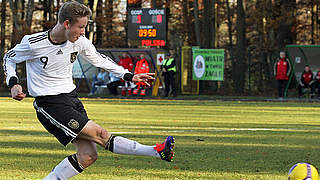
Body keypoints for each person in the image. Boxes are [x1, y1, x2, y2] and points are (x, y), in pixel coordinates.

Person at [3, 1, 175, 180]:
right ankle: (157, 151)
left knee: (88, 156)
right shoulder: (33, 43)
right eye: (81, 26)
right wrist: (13, 83)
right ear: (67, 24)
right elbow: (9, 58)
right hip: (50, 104)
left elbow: (100, 60)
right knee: (101, 134)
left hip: (72, 99)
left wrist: (129, 75)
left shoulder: (79, 42)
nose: (83, 31)